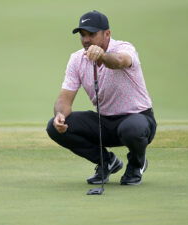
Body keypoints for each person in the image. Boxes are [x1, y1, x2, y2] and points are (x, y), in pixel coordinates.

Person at [46, 10, 157, 185]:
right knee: (54, 126)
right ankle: (107, 161)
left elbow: (120, 61)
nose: (86, 39)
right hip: (104, 122)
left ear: (107, 34)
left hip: (138, 119)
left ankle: (137, 164)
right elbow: (64, 99)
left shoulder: (124, 48)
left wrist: (102, 56)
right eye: (83, 35)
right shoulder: (77, 59)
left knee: (132, 128)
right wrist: (60, 115)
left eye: (92, 34)